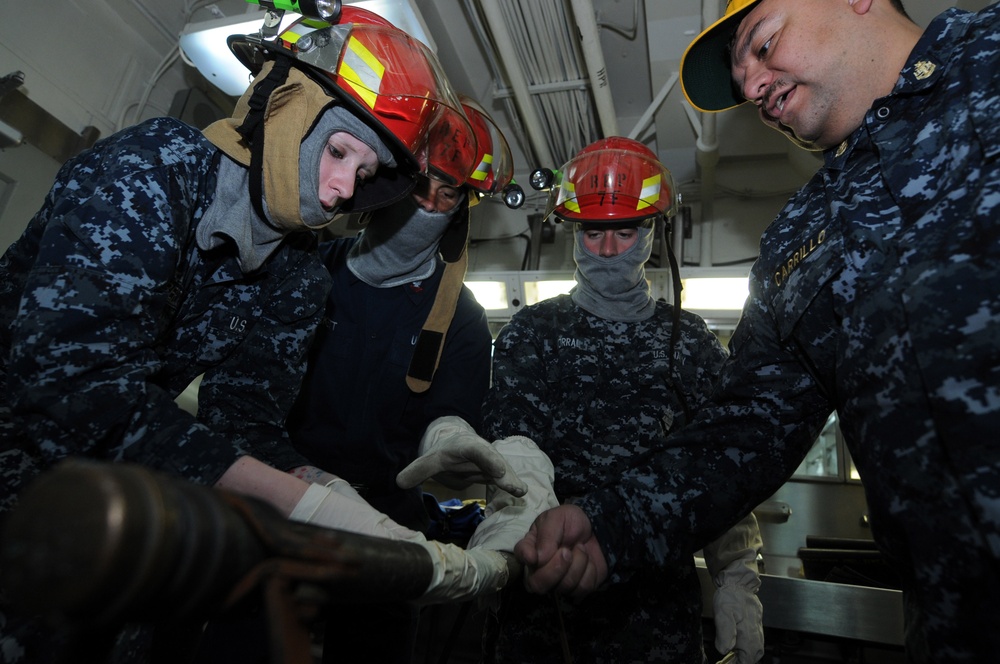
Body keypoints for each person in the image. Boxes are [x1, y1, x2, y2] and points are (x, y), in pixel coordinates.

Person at [0, 11, 508, 663]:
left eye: (368, 173)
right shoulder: (154, 169)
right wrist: (294, 500)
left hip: (113, 513)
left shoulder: (296, 274)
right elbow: (72, 389)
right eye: (337, 150)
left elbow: (243, 417)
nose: (341, 189)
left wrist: (321, 486)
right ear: (284, 107)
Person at [513, 0, 1000, 661]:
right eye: (741, 82)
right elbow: (747, 427)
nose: (752, 88)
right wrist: (613, 525)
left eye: (764, 46)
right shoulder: (802, 238)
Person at [468, 137, 763, 663]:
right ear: (574, 234)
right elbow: (514, 455)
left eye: (624, 232)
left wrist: (736, 575)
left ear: (652, 234)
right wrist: (520, 538)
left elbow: (719, 466)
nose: (607, 251)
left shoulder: (691, 343)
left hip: (655, 618)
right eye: (594, 233)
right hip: (544, 609)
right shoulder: (534, 332)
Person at [286, 91, 525, 664]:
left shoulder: (460, 318)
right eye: (420, 184)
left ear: (460, 212)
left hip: (383, 530)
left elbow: (449, 416)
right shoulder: (306, 270)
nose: (427, 205)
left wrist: (449, 437)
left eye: (447, 195)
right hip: (282, 504)